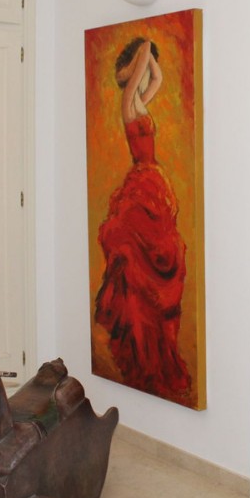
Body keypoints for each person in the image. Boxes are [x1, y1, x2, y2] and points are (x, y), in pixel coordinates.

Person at [94, 38, 191, 403]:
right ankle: (140, 349)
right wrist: (143, 50)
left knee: (156, 264)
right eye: (138, 68)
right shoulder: (128, 100)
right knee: (135, 270)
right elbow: (144, 64)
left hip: (151, 184)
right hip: (142, 185)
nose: (145, 73)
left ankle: (154, 349)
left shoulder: (140, 100)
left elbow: (158, 78)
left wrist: (147, 60)